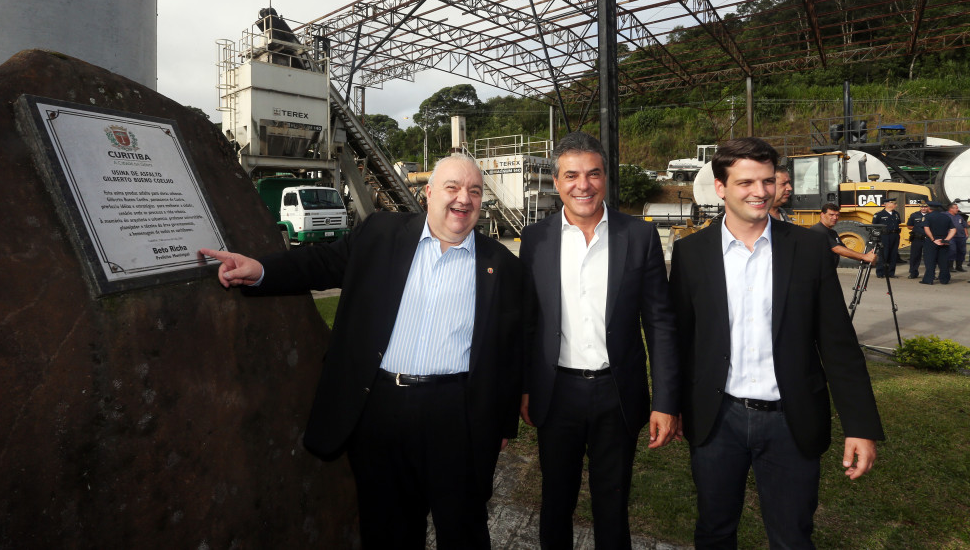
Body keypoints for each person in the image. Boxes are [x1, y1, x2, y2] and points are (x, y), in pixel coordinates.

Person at [199, 155, 523, 549]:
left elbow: (510, 348)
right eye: (453, 187)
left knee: (464, 529)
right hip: (379, 410)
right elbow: (319, 263)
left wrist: (502, 425)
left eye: (474, 191)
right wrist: (261, 270)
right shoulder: (380, 234)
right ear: (429, 193)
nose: (463, 199)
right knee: (387, 530)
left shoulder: (500, 264)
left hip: (456, 415)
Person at [669, 137, 884, 550]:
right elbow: (681, 339)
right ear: (721, 187)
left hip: (791, 419)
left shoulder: (807, 249)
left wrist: (860, 426)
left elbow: (838, 342)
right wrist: (672, 406)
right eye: (746, 182)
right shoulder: (691, 253)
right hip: (717, 419)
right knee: (714, 529)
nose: (760, 192)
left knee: (792, 536)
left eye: (767, 181)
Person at [520, 131, 679, 549]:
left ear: (606, 178)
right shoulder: (535, 240)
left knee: (613, 503)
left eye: (593, 174)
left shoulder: (639, 237)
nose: (583, 185)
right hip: (557, 394)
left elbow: (660, 324)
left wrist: (665, 400)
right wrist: (523, 388)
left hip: (617, 393)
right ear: (556, 182)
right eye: (571, 175)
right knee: (556, 501)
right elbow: (528, 323)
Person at [809, 202, 877, 268]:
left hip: (828, 271)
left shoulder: (833, 232)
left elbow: (844, 250)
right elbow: (837, 249)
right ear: (822, 215)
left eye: (837, 215)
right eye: (831, 215)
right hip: (817, 272)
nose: (835, 218)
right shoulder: (818, 230)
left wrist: (865, 257)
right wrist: (864, 257)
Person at [922, 201, 956, 285]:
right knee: (943, 261)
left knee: (930, 261)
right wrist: (946, 240)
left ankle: (928, 279)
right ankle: (944, 280)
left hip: (931, 241)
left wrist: (933, 239)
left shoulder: (927, 217)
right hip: (943, 241)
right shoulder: (946, 217)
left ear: (929, 208)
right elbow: (953, 229)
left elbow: (926, 228)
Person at [871, 197, 901, 278]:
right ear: (887, 204)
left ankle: (891, 273)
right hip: (884, 236)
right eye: (894, 203)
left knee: (893, 255)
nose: (896, 205)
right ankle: (880, 273)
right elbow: (874, 226)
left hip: (895, 236)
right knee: (884, 254)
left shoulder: (896, 214)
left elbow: (898, 223)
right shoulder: (879, 214)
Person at [907, 203, 930, 278]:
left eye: (925, 207)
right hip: (917, 238)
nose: (923, 208)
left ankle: (930, 273)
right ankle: (913, 273)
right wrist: (916, 228)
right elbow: (909, 226)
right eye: (922, 207)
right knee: (915, 256)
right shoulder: (914, 215)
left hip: (928, 238)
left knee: (929, 257)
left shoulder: (931, 215)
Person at [947, 202, 968, 272]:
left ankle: (959, 266)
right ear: (951, 209)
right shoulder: (945, 215)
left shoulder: (959, 216)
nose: (958, 209)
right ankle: (950, 266)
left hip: (961, 237)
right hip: (951, 237)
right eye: (956, 208)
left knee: (962, 251)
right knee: (952, 250)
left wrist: (966, 234)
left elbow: (964, 226)